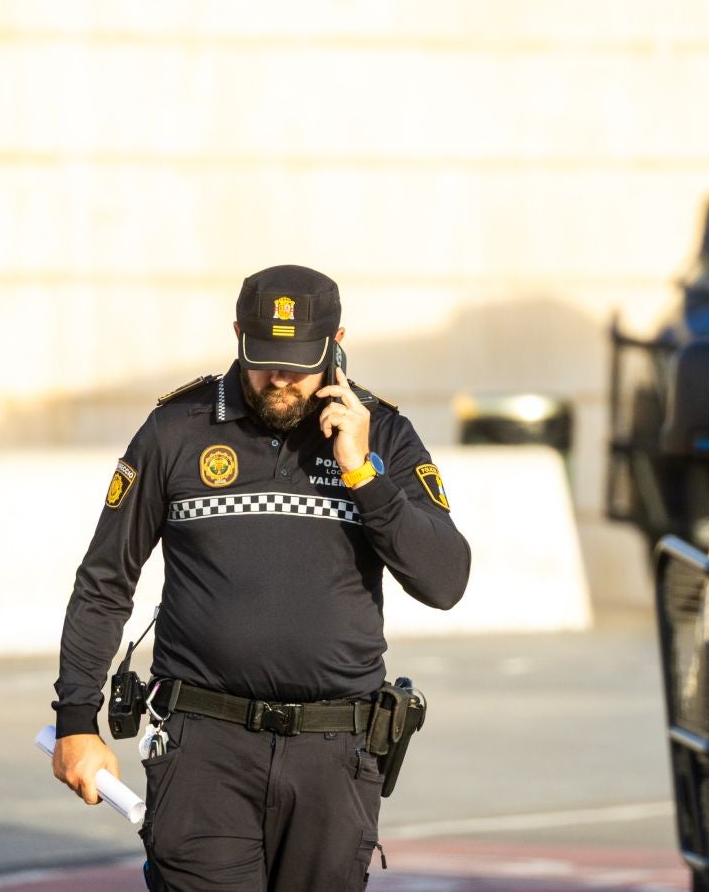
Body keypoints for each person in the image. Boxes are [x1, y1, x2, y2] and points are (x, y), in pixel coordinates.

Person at [51, 265, 470, 892]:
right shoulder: (175, 428)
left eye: (298, 365)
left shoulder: (384, 433)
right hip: (202, 751)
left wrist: (364, 475)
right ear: (238, 336)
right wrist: (77, 721)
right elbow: (105, 581)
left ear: (336, 343)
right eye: (265, 359)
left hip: (335, 756)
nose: (280, 378)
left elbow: (445, 581)